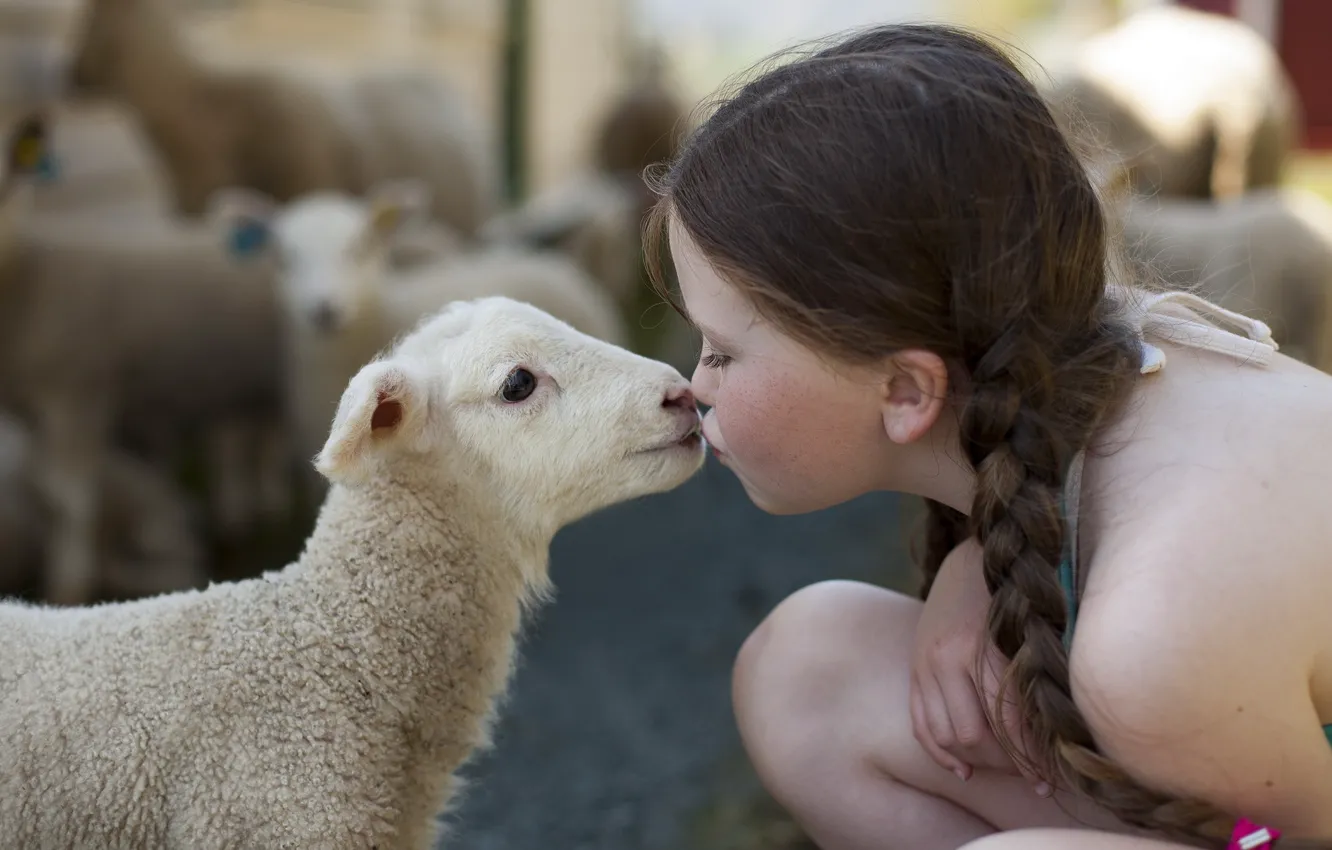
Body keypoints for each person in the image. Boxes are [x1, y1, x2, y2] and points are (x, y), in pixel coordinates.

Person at [643, 22, 1332, 850]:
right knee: (807, 673)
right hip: (1237, 773)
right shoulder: (1077, 365)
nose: (694, 386)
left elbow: (1290, 831)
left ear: (906, 389)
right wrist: (979, 563)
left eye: (721, 352)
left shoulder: (1152, 649)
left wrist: (1232, 826)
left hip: (1286, 810)